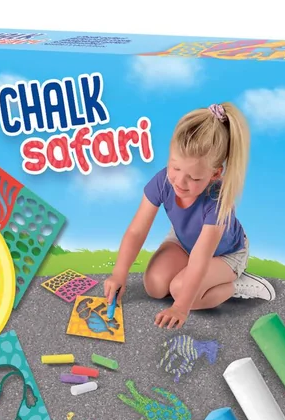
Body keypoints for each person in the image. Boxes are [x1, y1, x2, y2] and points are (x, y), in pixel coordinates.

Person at [104, 102, 275, 330]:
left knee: (180, 291)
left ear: (215, 174)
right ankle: (189, 281)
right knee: (154, 286)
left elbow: (200, 258)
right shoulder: (163, 180)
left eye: (194, 178)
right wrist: (119, 274)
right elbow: (137, 231)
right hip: (183, 240)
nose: (180, 182)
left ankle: (235, 284)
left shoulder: (217, 202)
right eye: (175, 168)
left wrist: (181, 307)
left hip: (225, 254)